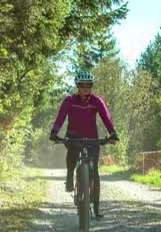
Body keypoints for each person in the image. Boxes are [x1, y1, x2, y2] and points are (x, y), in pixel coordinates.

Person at [49, 71, 119, 218]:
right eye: (82, 85)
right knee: (72, 156)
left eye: (89, 85)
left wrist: (112, 133)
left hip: (92, 139)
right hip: (73, 137)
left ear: (92, 86)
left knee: (95, 173)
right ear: (77, 86)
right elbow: (61, 117)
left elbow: (106, 117)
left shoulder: (96, 101)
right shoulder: (69, 100)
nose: (86, 88)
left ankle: (97, 208)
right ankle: (69, 176)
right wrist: (55, 132)